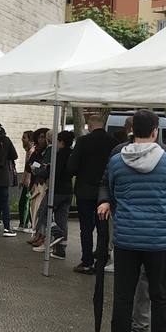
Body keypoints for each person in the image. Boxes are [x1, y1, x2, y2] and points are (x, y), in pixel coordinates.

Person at [98, 109, 166, 332]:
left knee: (123, 294)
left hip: (126, 238)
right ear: (156, 131)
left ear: (132, 130)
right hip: (159, 239)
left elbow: (110, 191)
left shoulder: (116, 162)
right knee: (160, 296)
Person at [68, 115, 116, 274]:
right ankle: (101, 261)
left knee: (86, 228)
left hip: (85, 191)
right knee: (103, 229)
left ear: (89, 126)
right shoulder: (113, 143)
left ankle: (87, 261)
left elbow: (72, 167)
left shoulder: (83, 141)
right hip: (106, 193)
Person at [45, 130, 75, 259]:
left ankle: (57, 233)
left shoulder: (60, 155)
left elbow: (55, 173)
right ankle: (60, 249)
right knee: (62, 219)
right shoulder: (73, 154)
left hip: (57, 190)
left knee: (44, 212)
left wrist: (47, 169)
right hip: (68, 190)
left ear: (61, 142)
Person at [17, 130, 35, 232]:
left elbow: (29, 169)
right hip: (27, 181)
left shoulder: (31, 152)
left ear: (30, 140)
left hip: (29, 182)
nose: (22, 139)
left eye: (24, 138)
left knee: (24, 204)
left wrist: (25, 181)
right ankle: (24, 224)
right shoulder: (28, 151)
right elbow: (26, 169)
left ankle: (24, 224)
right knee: (23, 203)